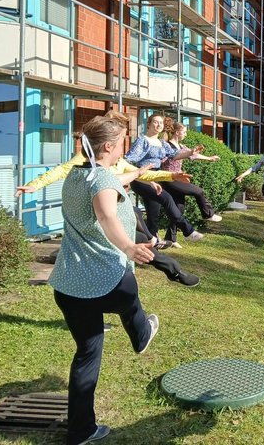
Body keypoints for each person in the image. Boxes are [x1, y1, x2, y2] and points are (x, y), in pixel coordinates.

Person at [49, 114, 160, 445]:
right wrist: (129, 246)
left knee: (87, 353)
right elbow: (106, 213)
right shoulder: (101, 182)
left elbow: (108, 183)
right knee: (130, 296)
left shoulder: (77, 175)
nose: (124, 147)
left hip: (68, 285)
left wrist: (137, 173)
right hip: (106, 281)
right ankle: (141, 334)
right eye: (122, 142)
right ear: (109, 146)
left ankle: (81, 431)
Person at [15, 111, 201, 287]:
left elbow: (138, 173)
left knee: (138, 233)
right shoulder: (88, 160)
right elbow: (62, 170)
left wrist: (170, 176)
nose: (122, 146)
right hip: (96, 221)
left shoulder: (118, 161)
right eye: (120, 140)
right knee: (129, 238)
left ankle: (171, 268)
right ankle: (163, 258)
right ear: (108, 142)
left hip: (116, 214)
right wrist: (35, 185)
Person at [125, 114, 205, 244]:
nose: (158, 125)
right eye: (155, 122)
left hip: (156, 176)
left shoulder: (162, 143)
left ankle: (151, 243)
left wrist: (190, 152)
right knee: (166, 198)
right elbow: (128, 160)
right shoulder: (142, 140)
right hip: (141, 178)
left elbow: (175, 155)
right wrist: (140, 176)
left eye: (161, 123)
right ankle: (188, 230)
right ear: (149, 124)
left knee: (153, 213)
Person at [160, 119, 223, 237]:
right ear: (177, 132)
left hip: (179, 178)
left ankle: (170, 238)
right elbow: (164, 159)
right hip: (169, 178)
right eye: (184, 132)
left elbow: (193, 154)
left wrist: (209, 158)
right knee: (198, 191)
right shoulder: (167, 145)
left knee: (178, 209)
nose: (186, 134)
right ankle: (208, 214)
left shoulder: (181, 146)